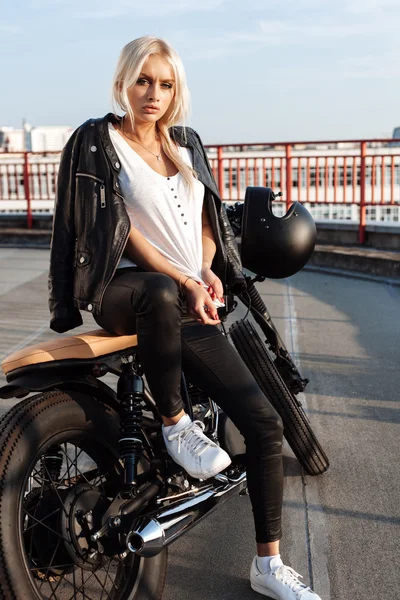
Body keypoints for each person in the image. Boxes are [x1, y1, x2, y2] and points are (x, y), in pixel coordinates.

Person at [48, 35, 322, 600]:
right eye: (143, 81)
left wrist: (205, 269)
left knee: (265, 424)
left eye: (165, 84)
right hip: (124, 286)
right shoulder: (99, 142)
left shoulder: (184, 143)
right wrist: (182, 279)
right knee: (158, 291)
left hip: (186, 290)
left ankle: (268, 566)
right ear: (124, 81)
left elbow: (203, 214)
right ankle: (175, 424)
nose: (153, 94)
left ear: (177, 90)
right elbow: (125, 230)